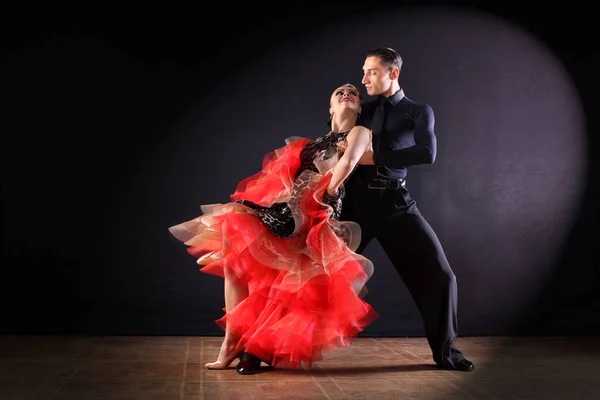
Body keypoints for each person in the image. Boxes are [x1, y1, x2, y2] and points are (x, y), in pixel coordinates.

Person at [168, 83, 378, 374]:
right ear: (330, 108)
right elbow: (282, 178)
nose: (347, 93)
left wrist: (328, 191)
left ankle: (250, 348)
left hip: (318, 209)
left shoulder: (359, 132)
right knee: (234, 236)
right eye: (339, 92)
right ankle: (233, 339)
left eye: (354, 93)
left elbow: (350, 161)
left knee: (291, 283)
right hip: (288, 209)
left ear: (359, 108)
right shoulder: (309, 143)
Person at [338, 47, 475, 371]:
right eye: (364, 71)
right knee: (308, 272)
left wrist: (376, 159)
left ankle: (447, 354)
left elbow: (427, 152)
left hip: (395, 204)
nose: (364, 79)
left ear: (393, 73)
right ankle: (258, 351)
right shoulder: (362, 110)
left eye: (371, 71)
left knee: (440, 277)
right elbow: (335, 134)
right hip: (354, 204)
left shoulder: (418, 111)